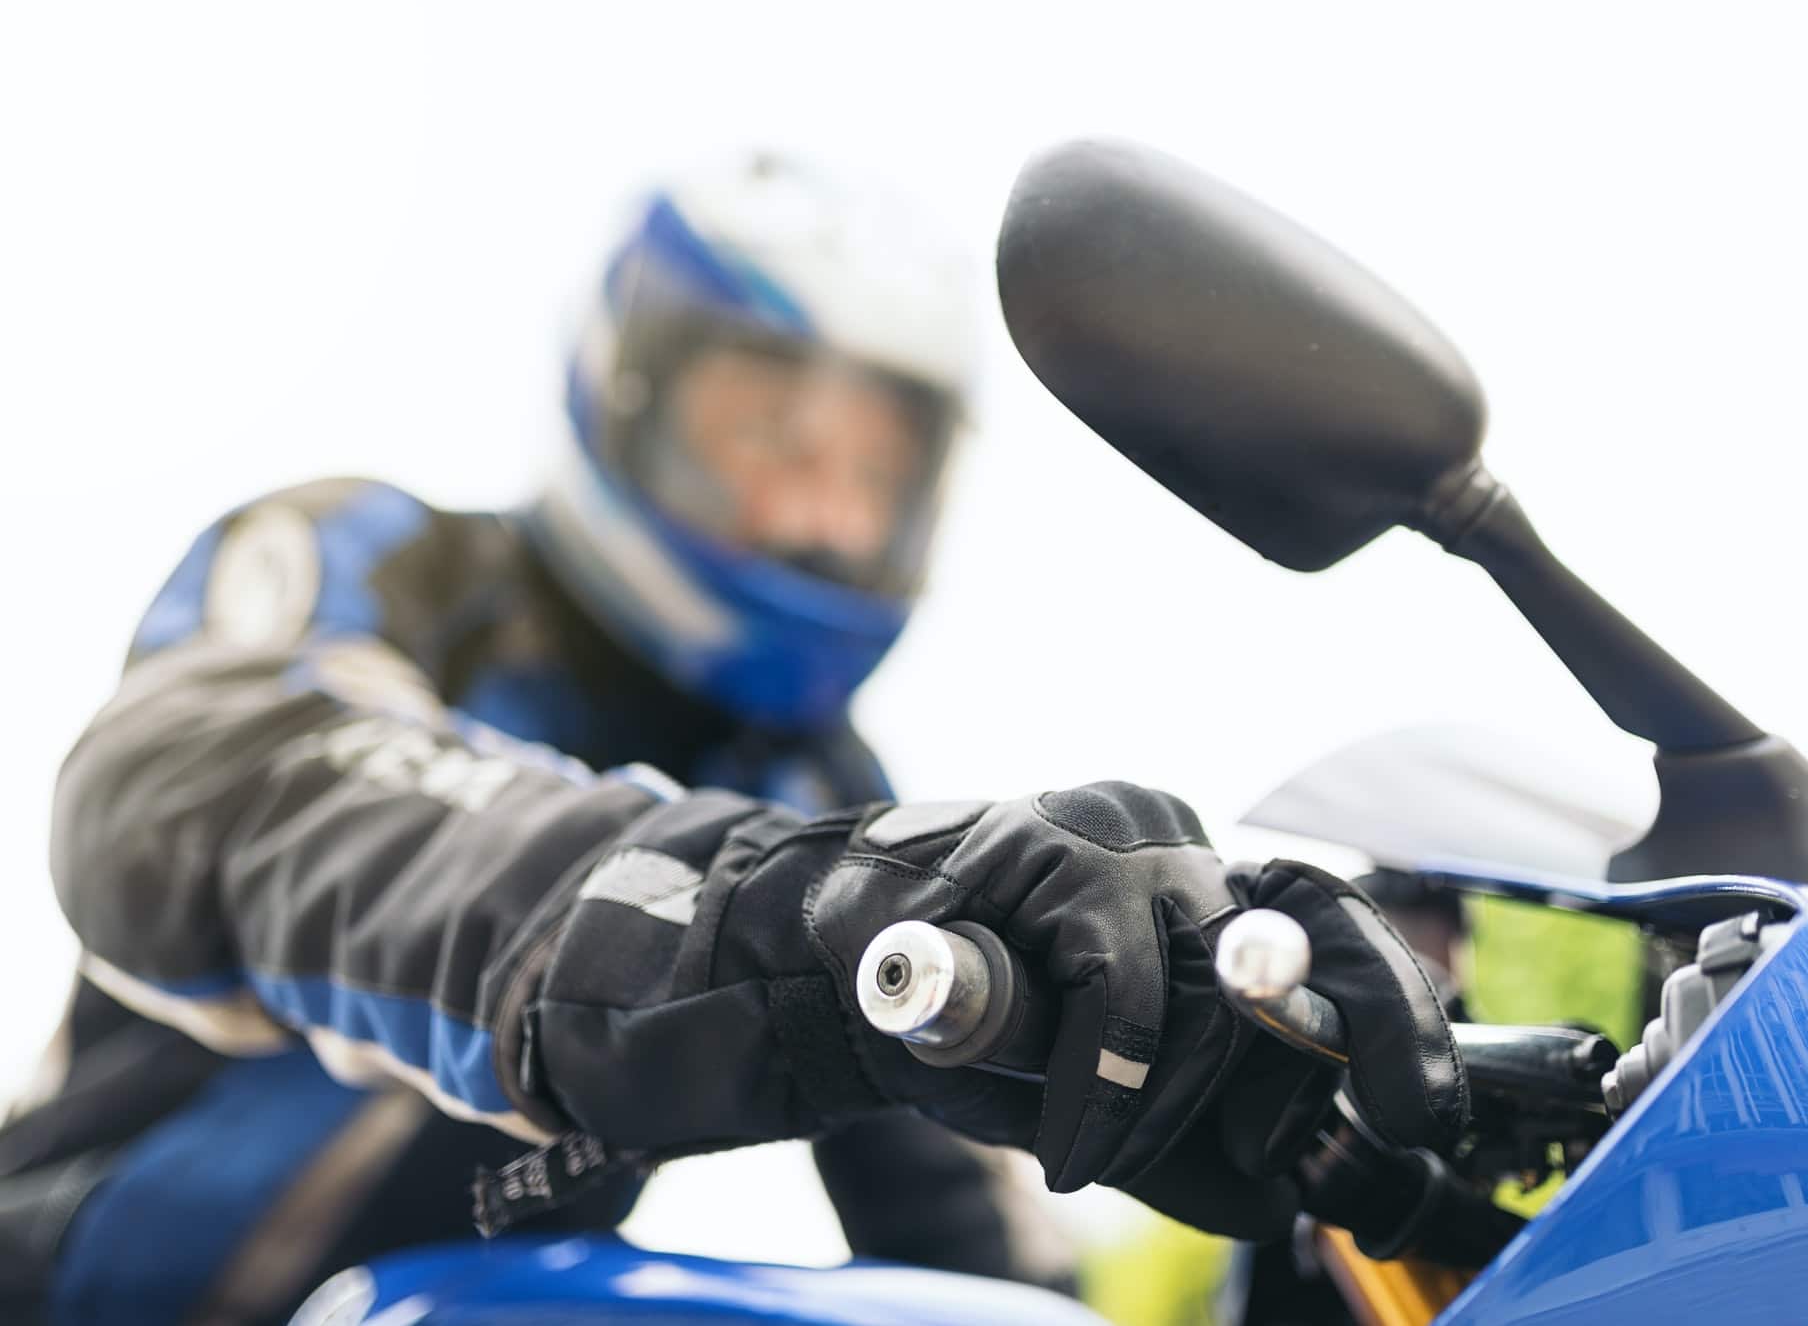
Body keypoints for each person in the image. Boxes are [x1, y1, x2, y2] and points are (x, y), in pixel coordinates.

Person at [0, 151, 1466, 1326]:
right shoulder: (391, 563)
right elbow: (210, 788)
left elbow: (966, 1249)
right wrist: (793, 910)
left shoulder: (827, 786)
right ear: (629, 389)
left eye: (872, 473)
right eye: (770, 437)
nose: (821, 516)